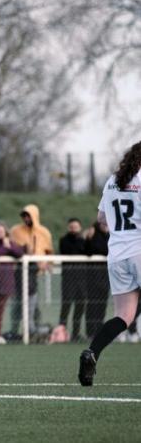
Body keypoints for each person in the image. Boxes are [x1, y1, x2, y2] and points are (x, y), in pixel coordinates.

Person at [79, 142, 141, 386]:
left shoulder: (113, 180)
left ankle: (92, 352)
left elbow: (101, 218)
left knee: (123, 317)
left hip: (116, 255)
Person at [7, 204, 53, 340]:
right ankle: (14, 331)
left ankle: (35, 332)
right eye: (24, 216)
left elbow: (49, 252)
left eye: (29, 215)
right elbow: (11, 248)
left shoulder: (43, 232)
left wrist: (47, 264)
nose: (26, 218)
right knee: (17, 305)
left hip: (35, 273)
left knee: (34, 306)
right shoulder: (16, 230)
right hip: (18, 273)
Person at [57, 218, 87, 342]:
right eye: (71, 227)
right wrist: (80, 239)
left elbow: (87, 251)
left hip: (82, 279)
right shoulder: (64, 240)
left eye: (76, 227)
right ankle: (61, 333)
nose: (74, 229)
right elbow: (69, 250)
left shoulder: (84, 241)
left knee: (80, 307)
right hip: (68, 279)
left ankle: (76, 333)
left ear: (80, 227)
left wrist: (84, 239)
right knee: (66, 306)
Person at [84, 220, 109, 337]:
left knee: (102, 305)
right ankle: (90, 332)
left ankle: (99, 331)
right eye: (104, 224)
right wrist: (88, 238)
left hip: (106, 278)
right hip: (92, 278)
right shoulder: (93, 236)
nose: (106, 226)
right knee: (92, 305)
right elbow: (89, 251)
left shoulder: (111, 236)